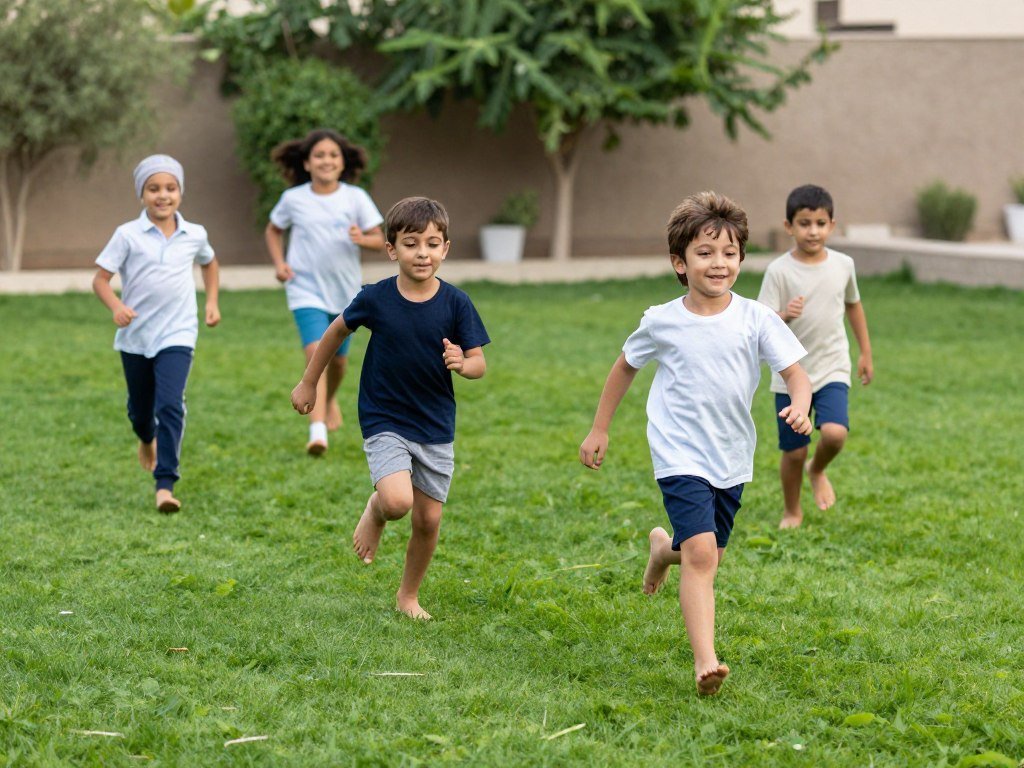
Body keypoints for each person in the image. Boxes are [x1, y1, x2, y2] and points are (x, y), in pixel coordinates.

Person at [579, 191, 811, 696]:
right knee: (704, 556)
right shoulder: (663, 320)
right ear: (679, 263)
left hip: (731, 455)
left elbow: (795, 372)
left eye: (729, 253)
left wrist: (798, 402)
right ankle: (705, 662)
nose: (718, 263)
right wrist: (600, 427)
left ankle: (664, 550)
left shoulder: (756, 318)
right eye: (705, 253)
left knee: (706, 556)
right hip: (678, 452)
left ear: (741, 259)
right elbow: (625, 366)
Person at [291, 197, 489, 620]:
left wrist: (463, 364)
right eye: (412, 243)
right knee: (399, 502)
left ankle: (408, 596)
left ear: (446, 249)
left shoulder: (456, 303)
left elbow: (479, 363)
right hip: (385, 417)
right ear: (391, 249)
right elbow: (334, 331)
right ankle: (377, 509)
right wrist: (310, 381)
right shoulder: (376, 298)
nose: (423, 253)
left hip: (435, 423)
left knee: (428, 520)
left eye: (433, 244)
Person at [92, 155, 221, 514]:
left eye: (170, 188)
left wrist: (212, 302)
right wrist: (117, 307)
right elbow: (100, 279)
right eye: (154, 188)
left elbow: (209, 262)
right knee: (139, 410)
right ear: (142, 194)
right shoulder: (127, 235)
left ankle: (165, 484)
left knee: (170, 404)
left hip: (178, 332)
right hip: (135, 336)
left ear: (180, 192)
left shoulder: (194, 233)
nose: (162, 195)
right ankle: (145, 437)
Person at [757, 184, 874, 529]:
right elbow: (761, 323)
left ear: (832, 225)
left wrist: (865, 351)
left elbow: (853, 305)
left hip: (832, 366)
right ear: (789, 226)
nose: (813, 231)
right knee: (794, 451)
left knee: (835, 433)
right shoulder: (779, 271)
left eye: (820, 223)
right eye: (805, 223)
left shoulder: (843, 265)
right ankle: (792, 510)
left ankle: (818, 469)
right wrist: (785, 316)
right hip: (790, 374)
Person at [266, 128, 385, 456]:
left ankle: (330, 399)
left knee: (339, 364)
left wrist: (363, 238)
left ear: (342, 161)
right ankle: (317, 431)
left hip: (346, 293)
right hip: (305, 289)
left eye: (333, 154)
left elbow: (381, 240)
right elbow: (274, 230)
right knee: (315, 353)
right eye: (319, 155)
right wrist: (279, 263)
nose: (326, 160)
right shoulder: (293, 199)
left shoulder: (355, 197)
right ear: (306, 163)